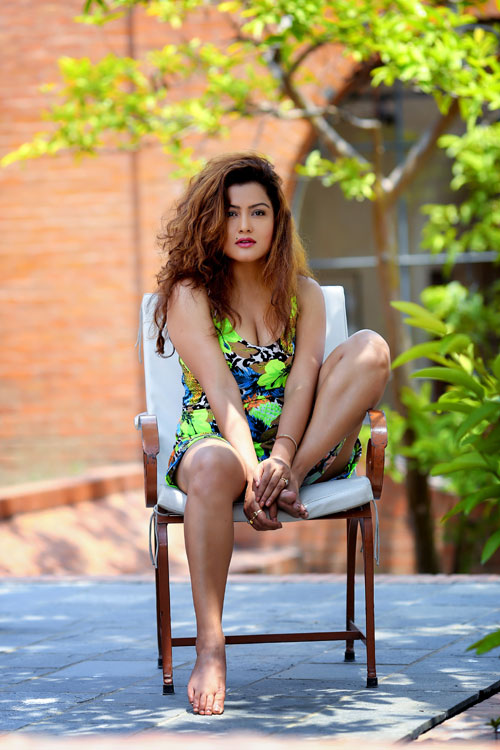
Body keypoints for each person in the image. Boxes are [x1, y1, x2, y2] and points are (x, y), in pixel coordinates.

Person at [153, 152, 390, 716]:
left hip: (303, 443)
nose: (244, 225)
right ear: (210, 221)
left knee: (372, 348)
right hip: (218, 437)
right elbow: (221, 392)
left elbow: (305, 378)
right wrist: (252, 463)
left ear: (277, 222)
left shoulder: (303, 293)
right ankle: (211, 646)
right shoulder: (190, 294)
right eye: (231, 212)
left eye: (258, 212)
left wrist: (285, 459)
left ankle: (291, 480)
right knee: (212, 467)